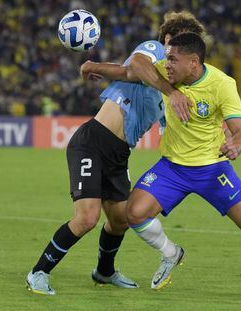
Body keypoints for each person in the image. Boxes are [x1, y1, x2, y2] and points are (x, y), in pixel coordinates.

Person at [26, 11, 206, 296]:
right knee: (87, 218)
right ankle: (38, 272)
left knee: (120, 218)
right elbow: (134, 64)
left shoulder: (174, 83)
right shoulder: (155, 51)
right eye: (180, 39)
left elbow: (126, 73)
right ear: (169, 38)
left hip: (120, 153)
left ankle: (104, 272)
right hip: (93, 142)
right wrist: (170, 92)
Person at [124, 32, 241, 303]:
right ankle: (170, 253)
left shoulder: (222, 84)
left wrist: (236, 145)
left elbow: (240, 130)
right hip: (172, 168)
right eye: (167, 59)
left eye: (173, 60)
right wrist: (170, 91)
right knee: (135, 213)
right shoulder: (168, 75)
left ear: (193, 62)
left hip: (213, 170)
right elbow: (136, 64)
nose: (167, 65)